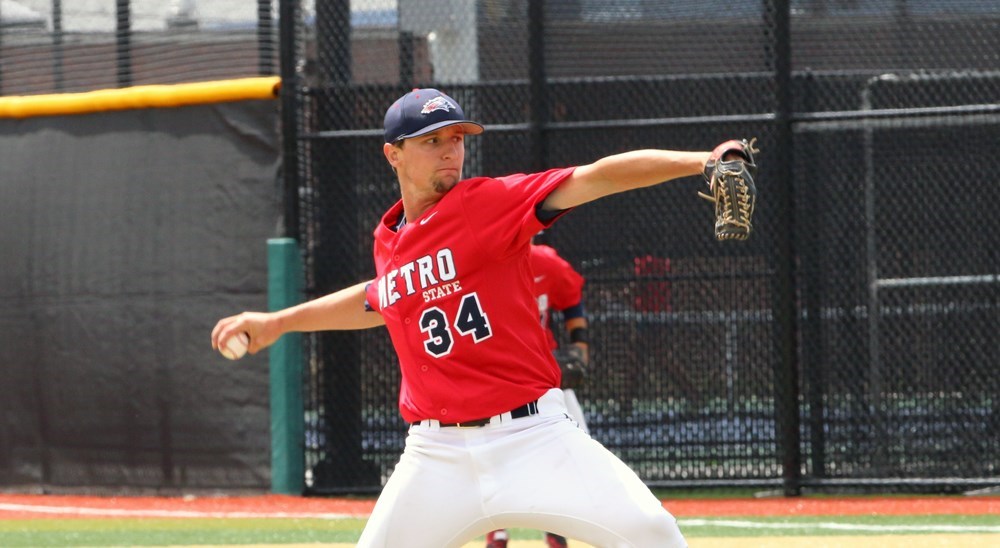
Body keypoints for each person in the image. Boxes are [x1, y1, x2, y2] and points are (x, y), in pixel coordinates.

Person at [212, 87, 741, 547]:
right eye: (432, 141)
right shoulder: (389, 239)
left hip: (533, 438)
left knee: (654, 534)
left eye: (457, 138)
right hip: (434, 454)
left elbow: (596, 177)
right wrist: (278, 322)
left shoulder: (484, 204)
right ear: (392, 154)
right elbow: (377, 299)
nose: (450, 152)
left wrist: (702, 160)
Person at [486, 241, 590, 548]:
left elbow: (572, 299)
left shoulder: (546, 263)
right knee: (495, 452)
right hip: (496, 372)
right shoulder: (481, 260)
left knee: (573, 450)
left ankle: (555, 525)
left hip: (544, 373)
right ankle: (498, 528)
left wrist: (580, 344)